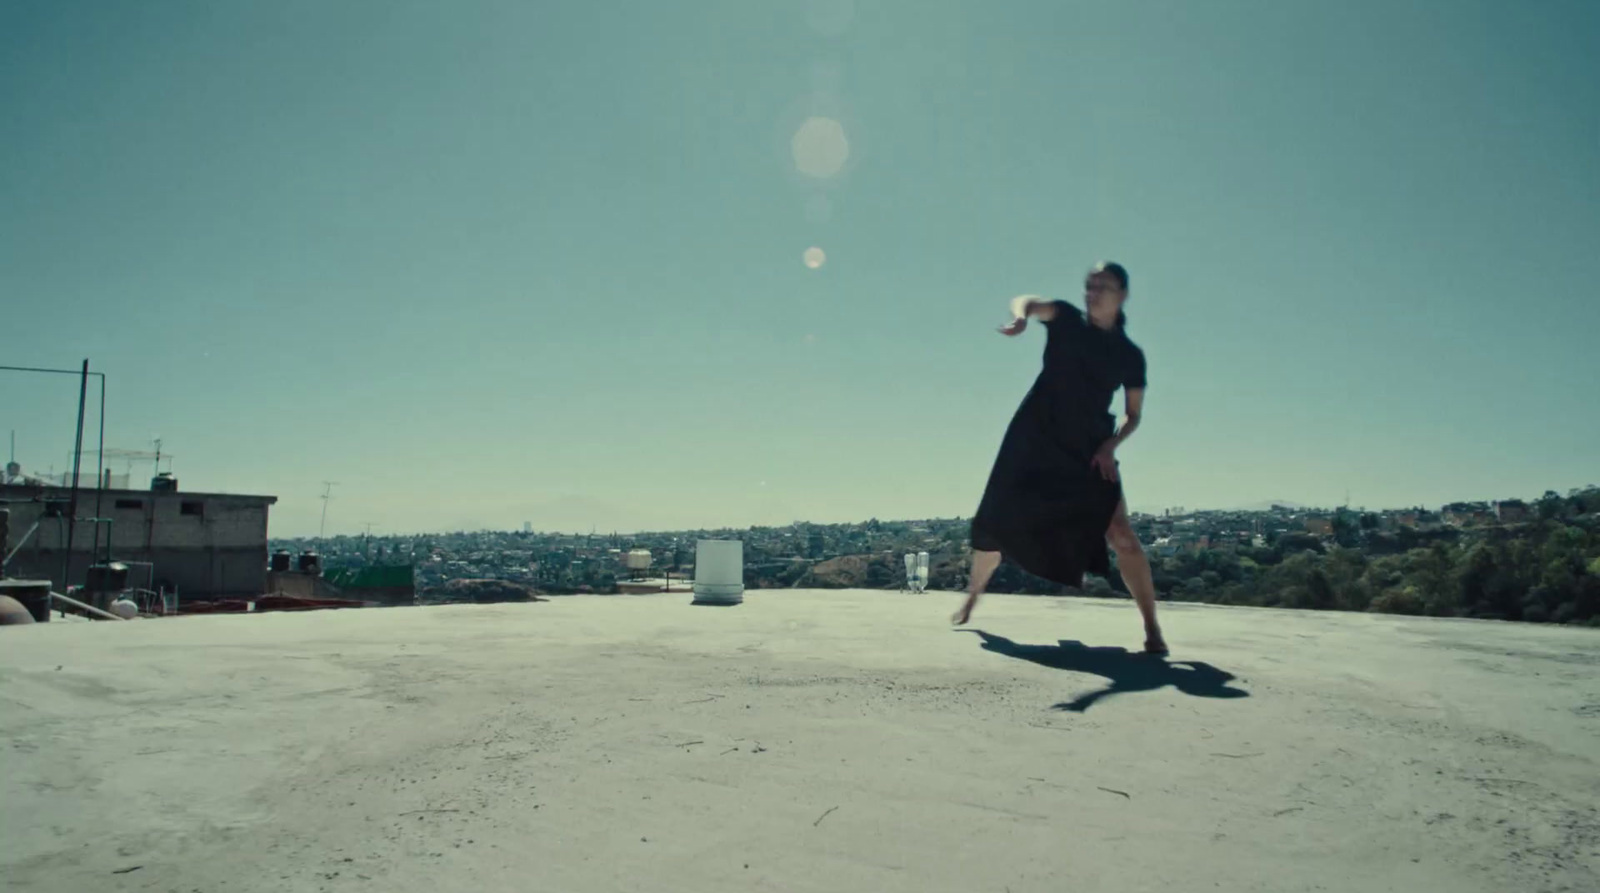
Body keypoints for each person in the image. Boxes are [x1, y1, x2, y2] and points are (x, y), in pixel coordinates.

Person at [952, 261, 1166, 655]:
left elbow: (1133, 415)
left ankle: (1153, 629)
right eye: (1090, 285)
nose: (1093, 292)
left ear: (1123, 294)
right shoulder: (1066, 319)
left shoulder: (1129, 355)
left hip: (1089, 447)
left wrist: (1110, 446)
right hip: (1034, 435)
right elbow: (1029, 302)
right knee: (996, 519)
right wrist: (1019, 318)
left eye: (1104, 286)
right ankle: (973, 595)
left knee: (1120, 533)